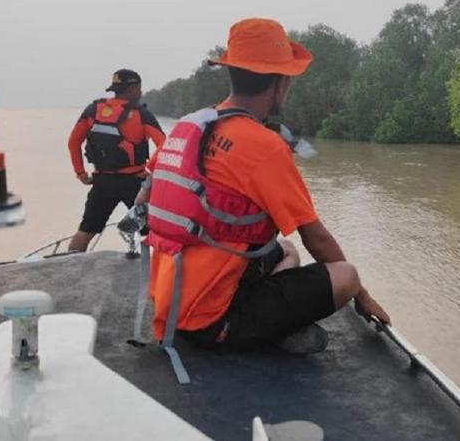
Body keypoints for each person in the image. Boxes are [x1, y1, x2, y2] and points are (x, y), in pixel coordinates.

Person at [146, 18, 390, 355]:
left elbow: (150, 187)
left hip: (170, 303)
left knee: (284, 249)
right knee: (346, 275)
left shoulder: (190, 127)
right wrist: (362, 297)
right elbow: (315, 236)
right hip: (211, 323)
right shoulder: (264, 146)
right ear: (279, 85)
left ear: (232, 73)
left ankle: (268, 320)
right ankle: (265, 332)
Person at [67, 69, 165, 252]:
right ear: (132, 89)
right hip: (135, 182)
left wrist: (80, 172)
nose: (141, 92)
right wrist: (151, 171)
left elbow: (73, 142)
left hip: (102, 181)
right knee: (154, 231)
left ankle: (66, 268)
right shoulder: (141, 114)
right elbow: (164, 145)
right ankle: (157, 274)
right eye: (139, 88)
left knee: (86, 230)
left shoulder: (93, 110)